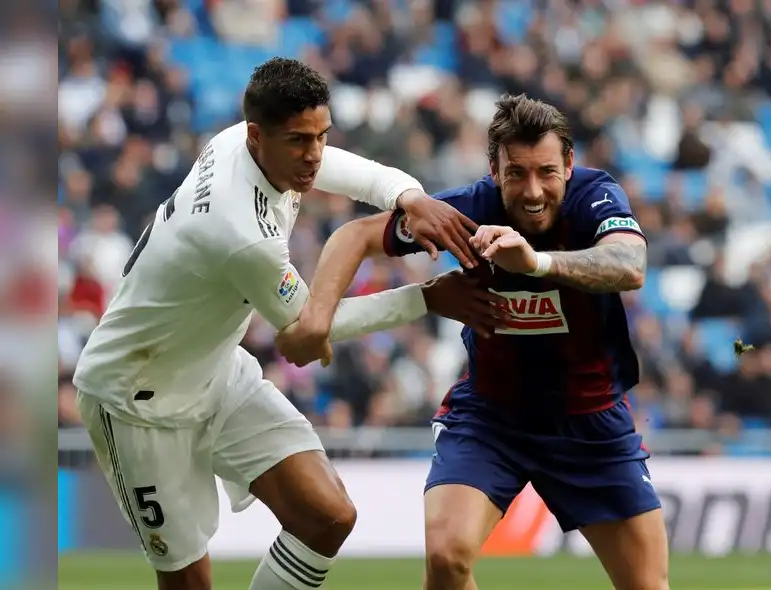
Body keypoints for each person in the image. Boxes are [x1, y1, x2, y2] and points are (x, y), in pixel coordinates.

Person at [71, 57, 499, 590]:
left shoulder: (246, 143)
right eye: (299, 140)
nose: (314, 154)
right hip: (136, 398)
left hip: (214, 369)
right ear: (258, 135)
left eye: (321, 135)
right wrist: (427, 299)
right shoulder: (241, 232)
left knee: (328, 516)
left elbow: (350, 171)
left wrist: (410, 196)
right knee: (188, 582)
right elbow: (308, 330)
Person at [278, 94, 669, 590]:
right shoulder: (467, 212)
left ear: (569, 165)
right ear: (493, 170)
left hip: (590, 423)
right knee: (445, 558)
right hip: (491, 419)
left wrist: (536, 263)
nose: (533, 191)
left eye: (547, 172)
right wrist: (317, 319)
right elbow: (355, 236)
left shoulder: (595, 196)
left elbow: (630, 265)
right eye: (516, 173)